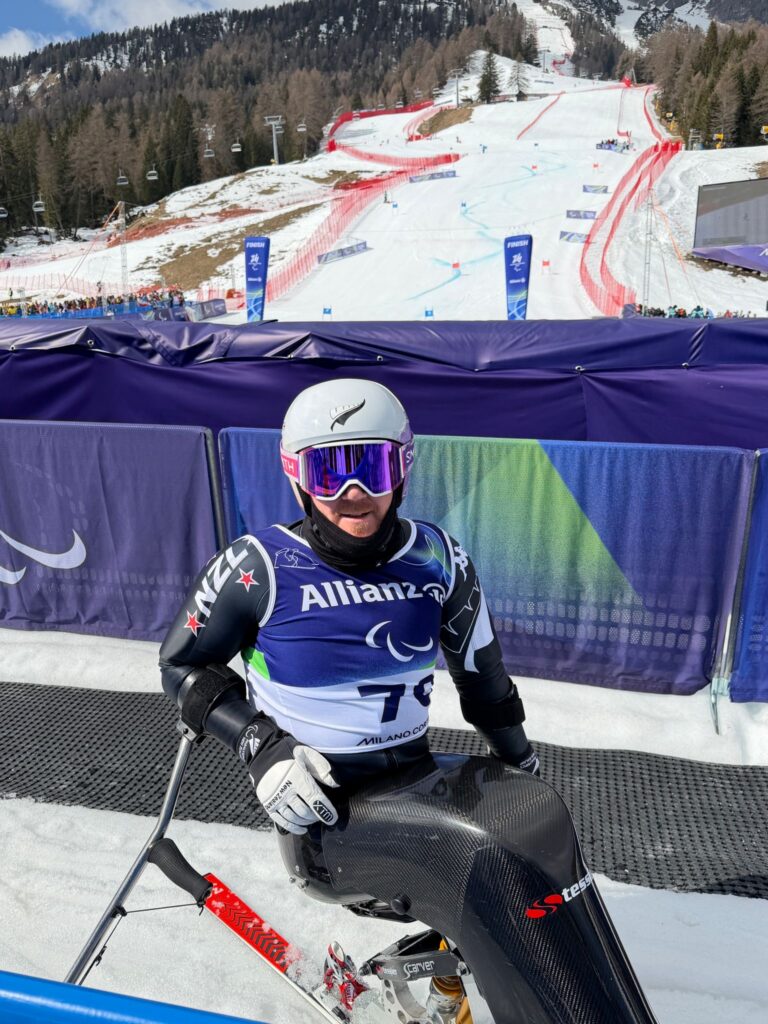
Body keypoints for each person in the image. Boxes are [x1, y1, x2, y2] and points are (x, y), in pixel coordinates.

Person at [159, 378, 538, 837]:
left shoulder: (437, 557)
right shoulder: (258, 565)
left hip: (416, 790)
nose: (354, 493)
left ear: (402, 471)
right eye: (329, 472)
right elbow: (180, 665)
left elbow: (484, 680)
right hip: (317, 808)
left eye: (372, 468)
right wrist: (259, 745)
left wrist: (522, 764)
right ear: (297, 479)